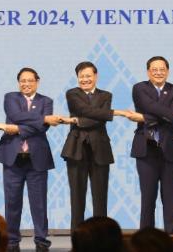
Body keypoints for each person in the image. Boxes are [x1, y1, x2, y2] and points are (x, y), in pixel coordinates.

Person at [125, 56, 173, 233]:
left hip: (169, 149)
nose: (158, 72)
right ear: (148, 72)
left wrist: (144, 117)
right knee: (148, 198)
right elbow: (149, 106)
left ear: (167, 71)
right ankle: (146, 238)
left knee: (170, 198)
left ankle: (172, 237)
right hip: (146, 149)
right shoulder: (139, 88)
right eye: (154, 69)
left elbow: (167, 117)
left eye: (162, 69)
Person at [0, 67, 64, 252]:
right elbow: (15, 116)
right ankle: (12, 241)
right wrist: (44, 118)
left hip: (36, 158)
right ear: (18, 83)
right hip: (13, 158)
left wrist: (18, 128)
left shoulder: (46, 101)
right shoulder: (10, 98)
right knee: (12, 202)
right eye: (22, 81)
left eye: (30, 80)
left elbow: (42, 128)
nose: (26, 84)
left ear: (37, 82)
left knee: (39, 203)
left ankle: (41, 241)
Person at [62, 61, 124, 229]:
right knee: (77, 197)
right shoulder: (72, 93)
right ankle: (77, 236)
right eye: (81, 76)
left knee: (100, 197)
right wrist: (111, 113)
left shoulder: (106, 95)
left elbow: (98, 119)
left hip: (100, 149)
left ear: (96, 76)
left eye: (88, 76)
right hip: (76, 149)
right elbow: (85, 111)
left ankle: (100, 236)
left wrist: (78, 121)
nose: (85, 79)